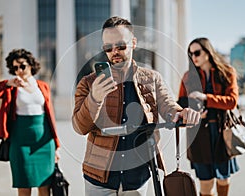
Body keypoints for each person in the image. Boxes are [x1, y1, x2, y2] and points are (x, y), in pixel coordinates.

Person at [72, 16, 200, 196]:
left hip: (138, 177)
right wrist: (95, 98)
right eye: (108, 48)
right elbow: (80, 126)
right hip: (99, 179)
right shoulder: (88, 83)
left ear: (133, 42)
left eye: (121, 46)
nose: (114, 52)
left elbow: (169, 106)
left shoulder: (152, 78)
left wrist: (182, 113)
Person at [0, 48, 60, 196]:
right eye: (15, 68)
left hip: (44, 143)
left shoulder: (42, 86)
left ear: (30, 65)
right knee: (24, 187)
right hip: (20, 143)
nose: (19, 70)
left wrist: (57, 146)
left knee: (45, 188)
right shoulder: (11, 88)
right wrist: (6, 83)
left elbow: (50, 118)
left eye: (22, 66)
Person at [178, 37, 239, 196]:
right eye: (190, 54)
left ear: (208, 51)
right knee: (205, 183)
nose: (194, 57)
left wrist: (205, 98)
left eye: (197, 52)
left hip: (221, 132)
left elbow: (232, 102)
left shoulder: (226, 72)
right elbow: (180, 104)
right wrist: (193, 112)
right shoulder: (188, 77)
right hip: (198, 134)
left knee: (223, 179)